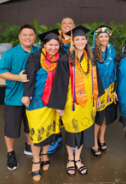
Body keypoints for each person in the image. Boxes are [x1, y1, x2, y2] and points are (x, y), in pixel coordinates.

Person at [48, 25, 104, 176]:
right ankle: (70, 159)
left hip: (88, 104)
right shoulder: (66, 59)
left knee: (84, 131)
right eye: (77, 39)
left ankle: (78, 159)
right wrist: (59, 105)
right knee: (72, 132)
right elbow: (59, 82)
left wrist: (97, 96)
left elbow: (96, 78)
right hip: (71, 103)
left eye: (82, 39)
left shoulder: (90, 58)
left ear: (86, 41)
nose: (80, 41)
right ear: (73, 42)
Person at [22, 29, 62, 181]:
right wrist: (26, 95)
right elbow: (29, 77)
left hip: (54, 101)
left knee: (50, 131)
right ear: (44, 45)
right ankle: (36, 160)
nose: (53, 48)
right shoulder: (35, 57)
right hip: (37, 101)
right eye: (50, 45)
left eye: (56, 45)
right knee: (37, 132)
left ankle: (45, 154)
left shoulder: (61, 58)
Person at [0, 24, 38, 170]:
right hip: (14, 98)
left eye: (31, 35)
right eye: (24, 34)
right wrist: (17, 78)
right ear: (19, 37)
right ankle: (10, 153)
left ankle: (29, 147)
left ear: (35, 37)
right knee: (11, 129)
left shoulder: (39, 52)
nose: (28, 37)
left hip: (34, 99)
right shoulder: (10, 54)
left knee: (31, 126)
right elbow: (0, 72)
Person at [47, 17, 75, 154]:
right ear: (61, 25)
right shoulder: (55, 39)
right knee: (55, 111)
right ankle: (56, 137)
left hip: (72, 79)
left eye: (70, 23)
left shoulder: (77, 39)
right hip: (54, 78)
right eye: (65, 23)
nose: (67, 25)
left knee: (69, 109)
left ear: (74, 26)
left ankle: (72, 140)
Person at [91, 25, 117, 157]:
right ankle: (94, 142)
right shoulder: (92, 51)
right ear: (97, 38)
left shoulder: (111, 49)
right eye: (101, 36)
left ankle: (102, 138)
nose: (104, 39)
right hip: (98, 88)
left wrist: (114, 90)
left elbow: (114, 69)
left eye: (106, 36)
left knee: (106, 115)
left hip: (110, 88)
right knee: (98, 117)